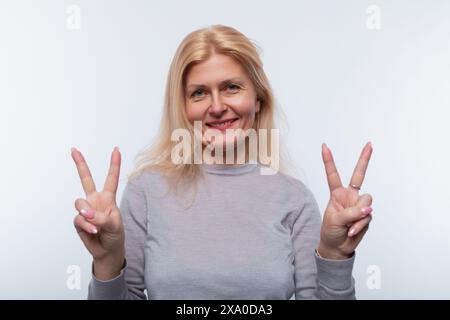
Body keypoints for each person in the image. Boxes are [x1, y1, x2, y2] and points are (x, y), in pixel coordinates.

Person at [71, 25, 373, 300]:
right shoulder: (146, 191)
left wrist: (334, 256)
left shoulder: (294, 199)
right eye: (199, 93)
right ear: (184, 106)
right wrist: (107, 263)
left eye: (231, 87)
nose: (217, 107)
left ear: (258, 98)